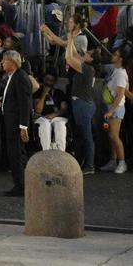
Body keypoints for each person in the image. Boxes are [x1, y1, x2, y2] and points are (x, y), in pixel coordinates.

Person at [0, 50, 33, 196]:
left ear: (11, 62)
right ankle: (20, 184)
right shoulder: (13, 76)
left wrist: (23, 126)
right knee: (15, 154)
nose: (1, 63)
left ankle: (21, 186)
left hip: (16, 124)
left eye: (4, 60)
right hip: (11, 122)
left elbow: (25, 103)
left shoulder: (20, 77)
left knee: (17, 154)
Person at [64, 28, 97, 175]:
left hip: (83, 104)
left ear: (91, 59)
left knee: (86, 136)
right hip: (81, 104)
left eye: (89, 54)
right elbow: (74, 54)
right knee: (83, 135)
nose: (86, 53)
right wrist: (70, 38)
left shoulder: (88, 69)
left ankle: (89, 165)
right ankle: (86, 163)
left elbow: (69, 59)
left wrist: (70, 40)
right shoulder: (85, 67)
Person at [100, 52, 130, 174]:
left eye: (116, 54)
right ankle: (113, 161)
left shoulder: (121, 73)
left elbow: (120, 94)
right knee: (110, 135)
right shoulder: (115, 70)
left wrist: (111, 111)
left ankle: (122, 163)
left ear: (120, 58)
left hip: (116, 108)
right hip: (111, 107)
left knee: (114, 136)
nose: (113, 55)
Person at [33, 72, 68, 152]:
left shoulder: (59, 92)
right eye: (47, 79)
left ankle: (61, 152)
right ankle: (46, 151)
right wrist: (44, 93)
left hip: (56, 117)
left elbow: (64, 109)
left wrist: (54, 115)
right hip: (42, 117)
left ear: (54, 82)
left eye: (51, 80)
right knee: (45, 125)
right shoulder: (38, 92)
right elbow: (38, 109)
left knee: (60, 125)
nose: (48, 82)